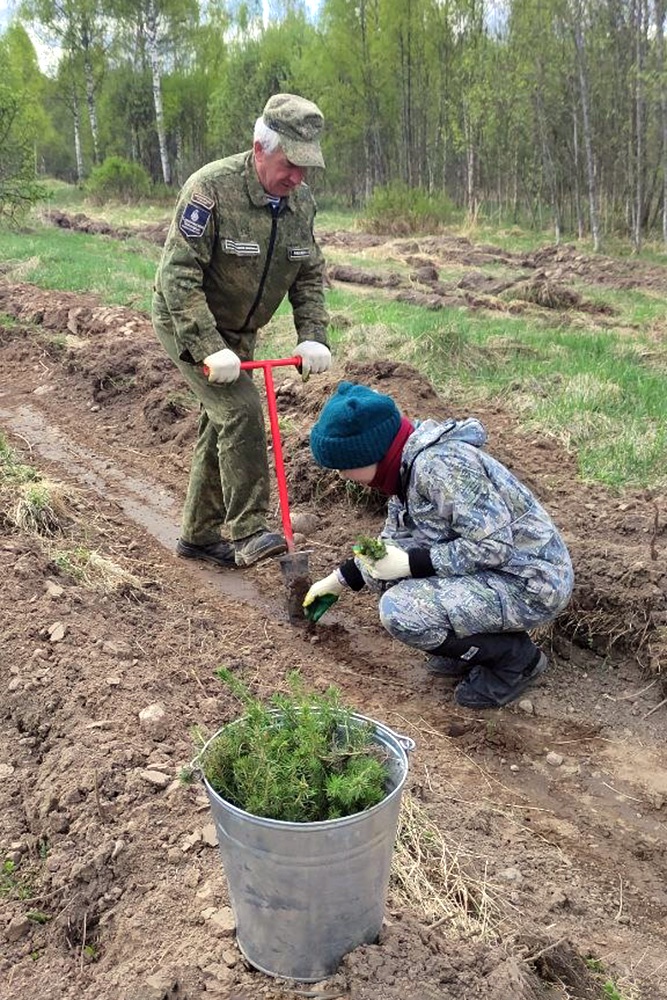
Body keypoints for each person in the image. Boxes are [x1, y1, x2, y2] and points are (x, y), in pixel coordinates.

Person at [302, 382, 574, 710]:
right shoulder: (403, 468)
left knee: (400, 610)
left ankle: (515, 660)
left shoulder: (439, 467)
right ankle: (471, 649)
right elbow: (393, 542)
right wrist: (338, 581)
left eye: (344, 465)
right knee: (387, 576)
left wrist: (411, 564)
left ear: (370, 451)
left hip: (530, 582)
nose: (342, 475)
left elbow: (494, 546)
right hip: (496, 573)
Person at [152, 93, 331, 568]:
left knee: (221, 421)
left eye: (306, 166)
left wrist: (313, 333)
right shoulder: (211, 190)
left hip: (241, 332)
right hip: (185, 322)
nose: (297, 176)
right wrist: (209, 347)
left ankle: (198, 534)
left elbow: (308, 271)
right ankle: (249, 530)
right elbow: (178, 276)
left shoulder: (301, 203)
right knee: (242, 411)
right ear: (259, 148)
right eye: (289, 163)